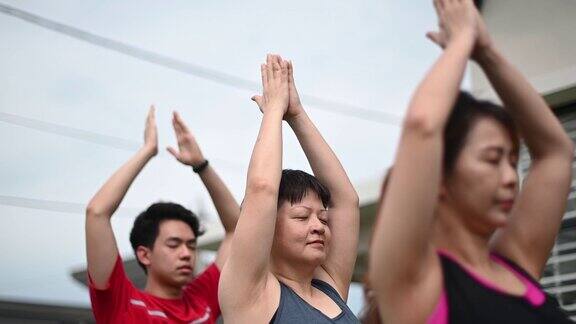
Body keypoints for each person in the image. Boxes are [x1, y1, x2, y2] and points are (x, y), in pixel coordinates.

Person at [369, 0, 574, 323]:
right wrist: (463, 38)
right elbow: (422, 126)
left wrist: (486, 52)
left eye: (511, 160)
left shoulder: (516, 264)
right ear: (440, 179)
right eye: (492, 159)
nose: (510, 177)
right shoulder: (416, 282)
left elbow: (555, 153)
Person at [219, 55, 361, 323]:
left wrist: (296, 114)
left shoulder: (330, 287)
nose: (318, 226)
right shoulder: (253, 296)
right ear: (268, 225)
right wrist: (274, 110)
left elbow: (345, 201)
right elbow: (262, 190)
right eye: (301, 216)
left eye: (322, 218)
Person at [86, 107, 239, 323]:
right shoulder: (122, 304)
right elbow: (96, 213)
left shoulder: (202, 299)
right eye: (174, 244)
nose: (187, 254)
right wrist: (147, 151)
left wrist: (201, 165)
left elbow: (238, 229)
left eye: (192, 245)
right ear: (144, 255)